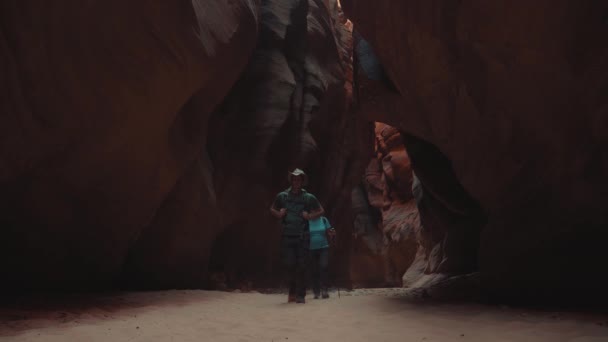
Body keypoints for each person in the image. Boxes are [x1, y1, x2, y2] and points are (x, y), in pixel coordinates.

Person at [270, 168, 324, 304]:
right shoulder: (283, 196)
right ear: (291, 180)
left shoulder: (308, 197)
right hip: (287, 235)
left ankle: (300, 295)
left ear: (302, 181)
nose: (296, 181)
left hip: (302, 236)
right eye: (294, 179)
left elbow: (321, 210)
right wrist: (279, 214)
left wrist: (310, 216)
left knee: (302, 265)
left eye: (299, 179)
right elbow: (272, 209)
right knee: (289, 264)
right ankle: (292, 291)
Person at [308, 215, 336, 299]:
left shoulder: (323, 219)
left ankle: (324, 290)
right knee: (314, 270)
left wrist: (332, 233)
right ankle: (316, 291)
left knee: (323, 266)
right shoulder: (307, 221)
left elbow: (329, 230)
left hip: (323, 247)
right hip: (310, 249)